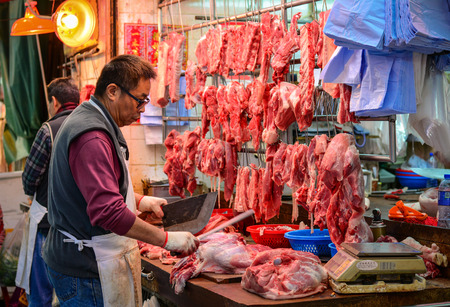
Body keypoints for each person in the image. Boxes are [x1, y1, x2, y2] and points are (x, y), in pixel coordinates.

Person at [42, 54, 199, 307]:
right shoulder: (91, 136)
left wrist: (141, 201)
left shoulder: (95, 120)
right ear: (113, 91)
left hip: (83, 261)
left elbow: (91, 189)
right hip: (86, 268)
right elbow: (107, 212)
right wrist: (167, 240)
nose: (143, 108)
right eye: (140, 100)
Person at [16, 77, 80, 306]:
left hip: (48, 225)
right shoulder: (91, 126)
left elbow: (30, 178)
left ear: (55, 102)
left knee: (41, 293)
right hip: (81, 229)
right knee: (72, 294)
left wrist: (32, 191)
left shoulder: (48, 130)